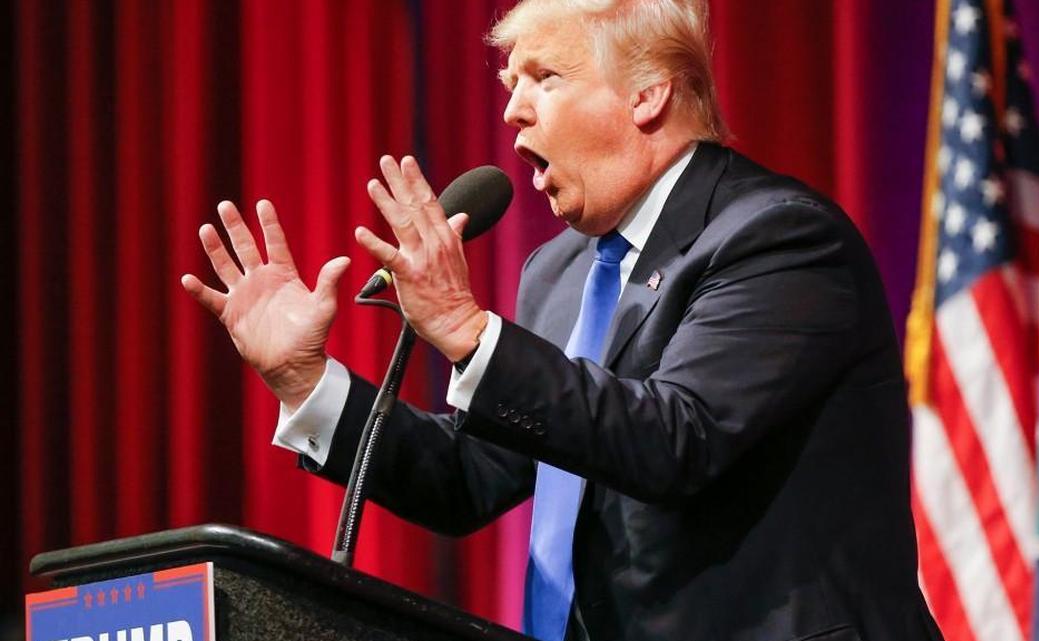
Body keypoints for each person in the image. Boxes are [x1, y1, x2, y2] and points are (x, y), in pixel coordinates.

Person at [182, 1, 943, 640]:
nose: (512, 109)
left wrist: (469, 330)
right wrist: (305, 380)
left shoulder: (777, 238)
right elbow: (469, 477)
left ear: (647, 94)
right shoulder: (559, 271)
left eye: (544, 78)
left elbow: (675, 438)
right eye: (510, 83)